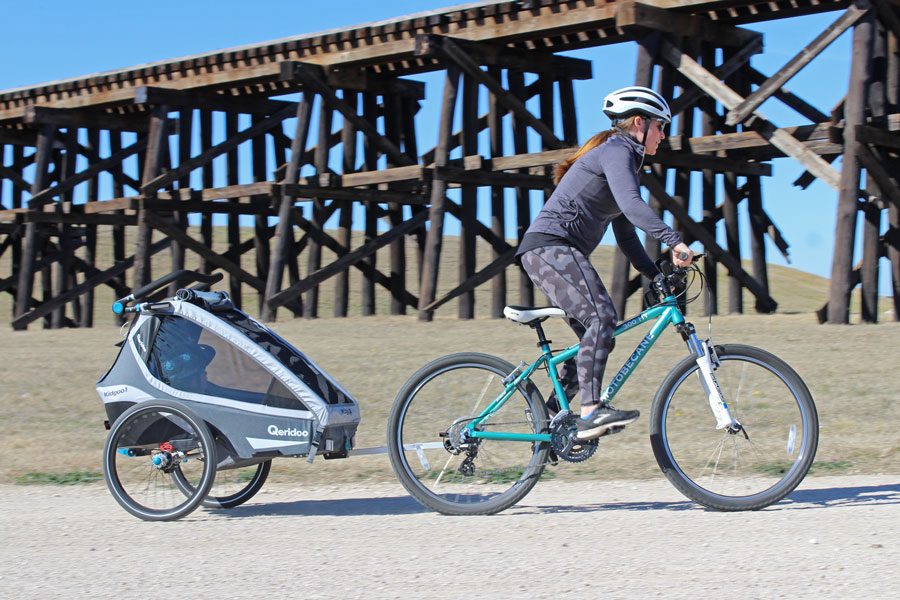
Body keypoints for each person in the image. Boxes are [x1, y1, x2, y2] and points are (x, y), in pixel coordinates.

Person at [516, 86, 693, 441]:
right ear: (640, 123)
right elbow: (631, 204)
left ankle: (553, 427)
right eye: (661, 126)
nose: (664, 135)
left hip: (552, 251)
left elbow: (626, 235)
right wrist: (674, 240)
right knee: (602, 318)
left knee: (597, 338)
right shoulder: (617, 150)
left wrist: (655, 274)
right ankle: (590, 412)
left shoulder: (621, 158)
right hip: (551, 247)